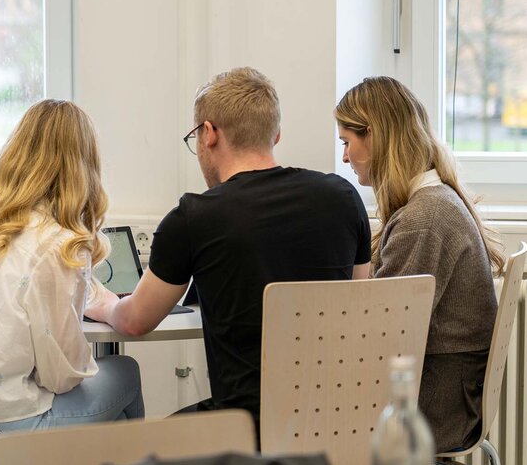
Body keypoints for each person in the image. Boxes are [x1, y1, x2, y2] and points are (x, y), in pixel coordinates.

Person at [86, 67, 372, 433]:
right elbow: (359, 303)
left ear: (208, 134)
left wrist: (103, 302)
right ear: (276, 134)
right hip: (335, 424)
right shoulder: (344, 199)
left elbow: (135, 321)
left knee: (132, 451)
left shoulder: (194, 216)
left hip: (242, 429)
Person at [0, 99, 144, 465]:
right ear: (83, 168)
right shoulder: (57, 242)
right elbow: (62, 376)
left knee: (112, 423)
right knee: (126, 372)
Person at [334, 76, 504, 453]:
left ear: (375, 136)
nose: (345, 157)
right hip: (449, 392)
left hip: (437, 406)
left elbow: (383, 336)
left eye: (347, 142)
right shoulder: (434, 200)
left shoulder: (423, 220)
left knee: (300, 416)